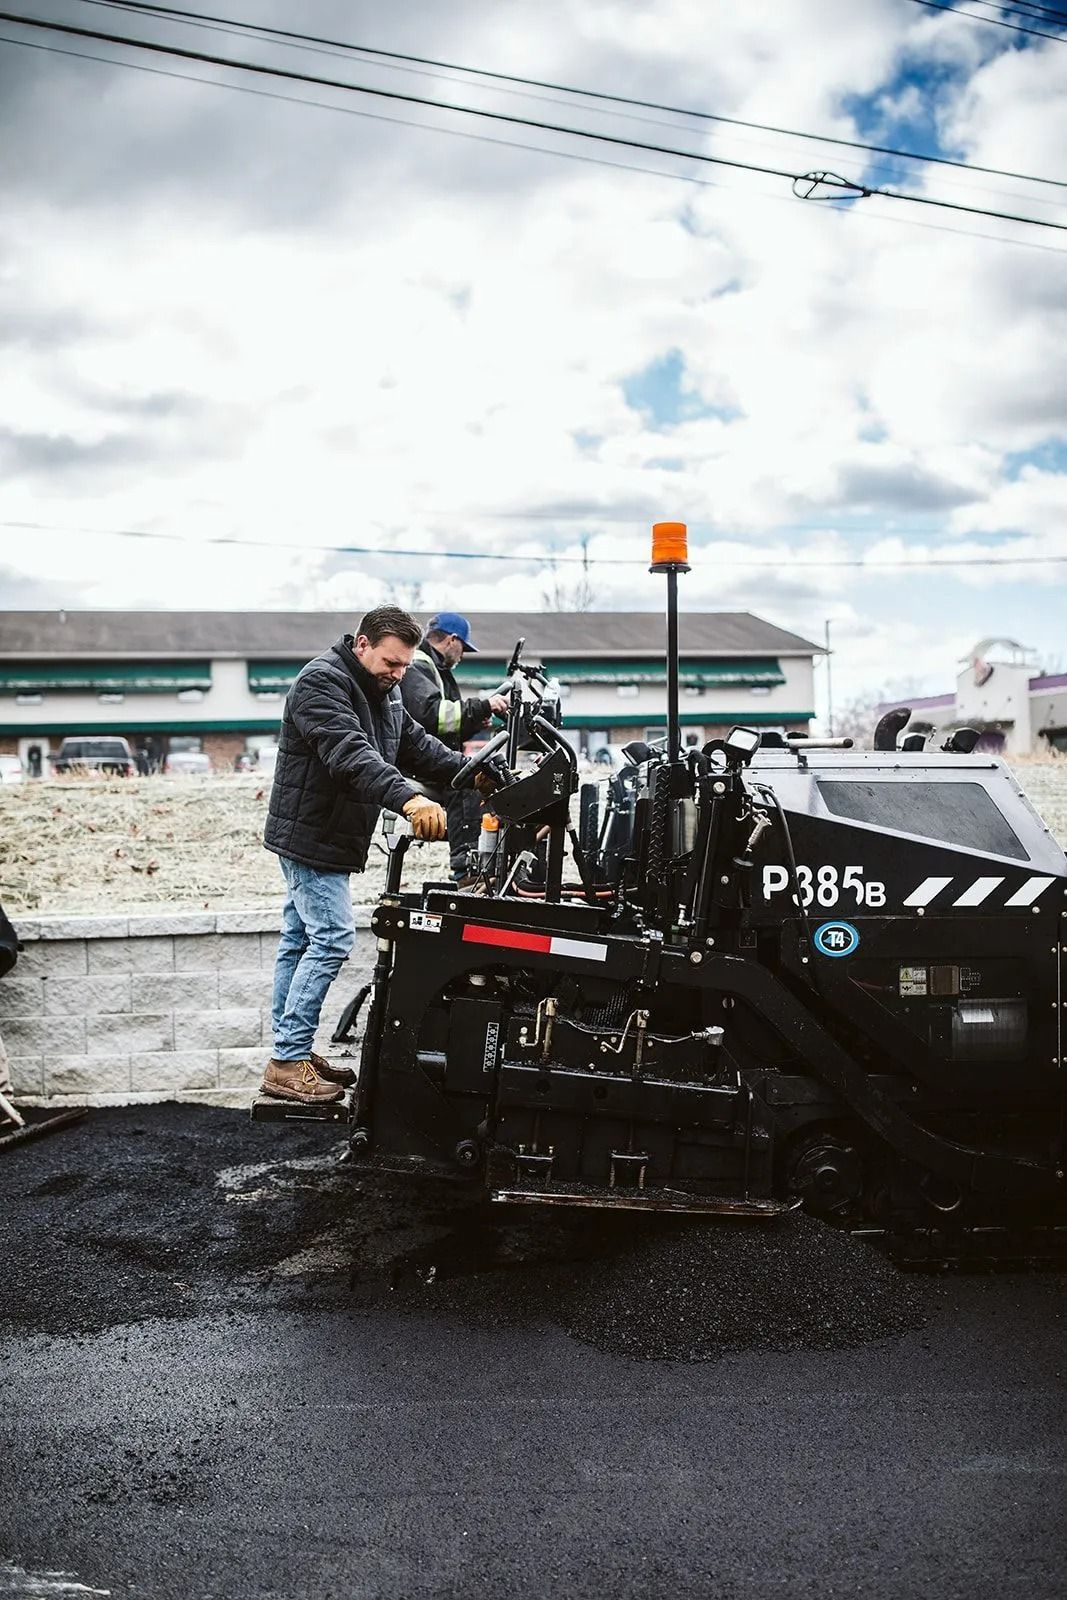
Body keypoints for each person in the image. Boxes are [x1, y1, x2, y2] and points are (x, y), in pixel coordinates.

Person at [260, 605, 473, 1106]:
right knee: (331, 939)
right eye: (391, 663)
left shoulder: (383, 688)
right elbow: (350, 753)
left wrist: (471, 772)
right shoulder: (321, 682)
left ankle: (291, 1054)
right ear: (361, 645)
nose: (400, 675)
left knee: (299, 942)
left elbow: (413, 745)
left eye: (405, 665)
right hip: (310, 836)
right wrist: (409, 798)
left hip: (332, 836)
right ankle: (287, 1062)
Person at [400, 612, 509, 883]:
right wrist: (483, 705)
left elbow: (447, 725)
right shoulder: (418, 666)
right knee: (465, 782)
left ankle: (493, 863)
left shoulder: (437, 671)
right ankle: (466, 869)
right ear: (451, 640)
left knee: (488, 777)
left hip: (428, 755)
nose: (462, 656)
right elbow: (430, 715)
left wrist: (474, 720)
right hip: (414, 761)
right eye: (463, 649)